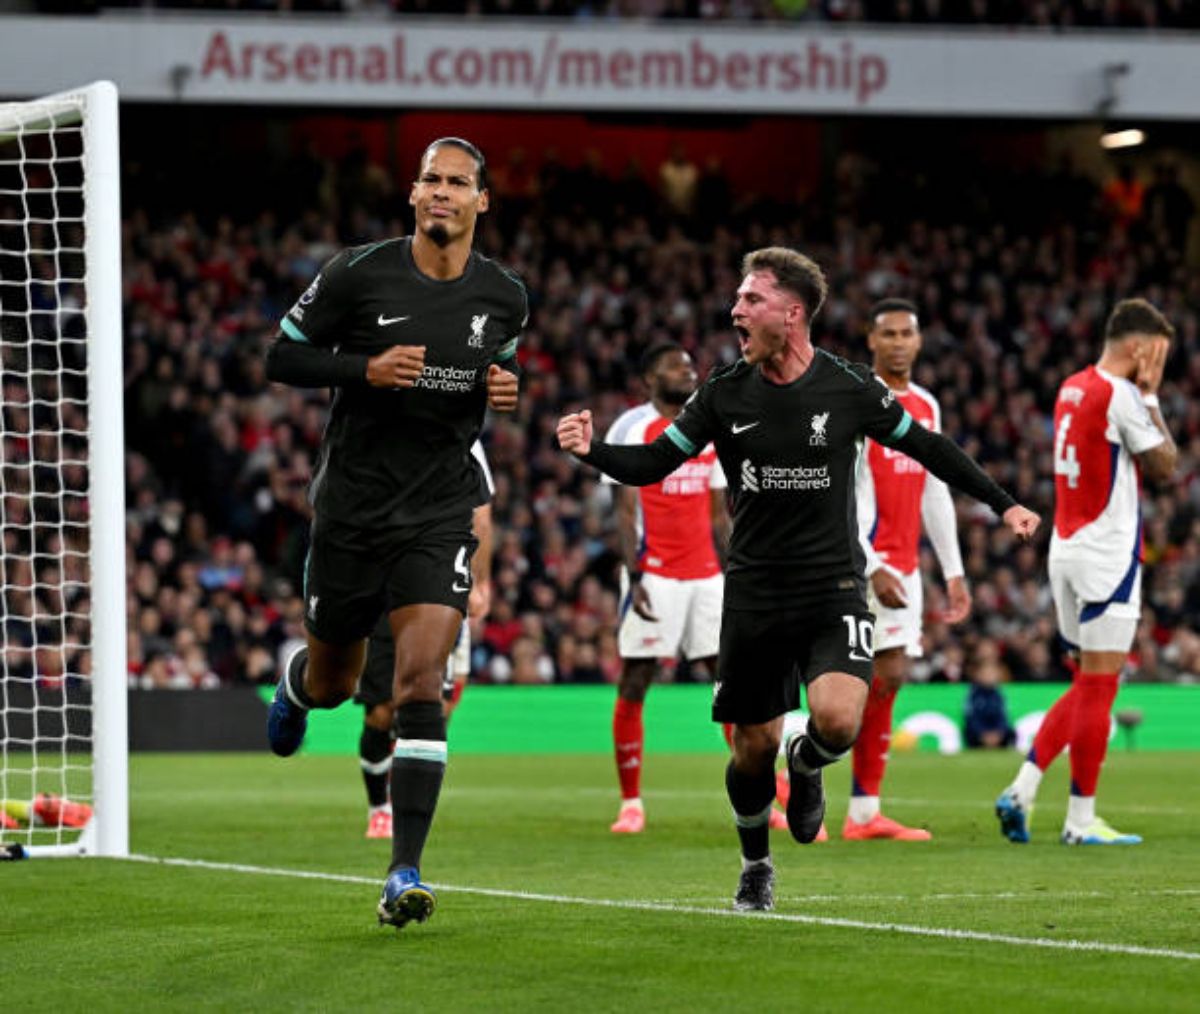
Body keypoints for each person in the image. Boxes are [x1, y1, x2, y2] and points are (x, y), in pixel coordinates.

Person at [557, 247, 1039, 912]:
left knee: (838, 721)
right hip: (753, 593)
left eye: (750, 300)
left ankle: (808, 764)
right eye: (737, 299)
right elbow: (653, 462)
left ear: (791, 313)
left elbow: (927, 446)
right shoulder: (723, 393)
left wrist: (1003, 500)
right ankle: (756, 863)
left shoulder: (847, 388)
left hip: (833, 588)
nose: (735, 310)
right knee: (752, 750)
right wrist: (592, 452)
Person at [263, 137, 527, 929]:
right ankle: (296, 682)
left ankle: (403, 869)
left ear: (483, 201)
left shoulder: (504, 297)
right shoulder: (358, 273)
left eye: (458, 183)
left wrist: (508, 385)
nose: (441, 192)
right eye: (430, 180)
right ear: (413, 196)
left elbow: (495, 369)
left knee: (420, 687)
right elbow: (281, 357)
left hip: (439, 511)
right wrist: (362, 370)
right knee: (339, 684)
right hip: (351, 509)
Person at [995, 298, 1175, 846]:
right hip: (1108, 553)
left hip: (1066, 548)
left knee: (1084, 682)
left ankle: (1023, 789)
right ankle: (1080, 820)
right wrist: (1151, 394)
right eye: (1159, 353)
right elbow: (1165, 467)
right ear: (1140, 347)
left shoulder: (1071, 386)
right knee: (1101, 687)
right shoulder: (1121, 394)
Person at [844, 298, 971, 841]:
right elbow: (839, 495)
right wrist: (869, 566)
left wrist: (955, 570)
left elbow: (936, 489)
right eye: (888, 333)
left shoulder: (925, 406)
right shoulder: (853, 404)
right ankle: (793, 774)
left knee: (890, 675)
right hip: (855, 563)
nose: (898, 342)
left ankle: (864, 813)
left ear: (919, 342)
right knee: (840, 680)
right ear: (871, 341)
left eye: (907, 333)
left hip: (904, 565)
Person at [603, 341, 729, 835]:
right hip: (653, 572)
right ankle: (631, 802)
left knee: (731, 684)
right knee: (637, 679)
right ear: (649, 378)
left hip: (706, 575)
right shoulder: (632, 427)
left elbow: (720, 514)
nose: (687, 370)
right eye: (674, 365)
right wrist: (634, 574)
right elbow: (623, 507)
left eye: (689, 364)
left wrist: (738, 567)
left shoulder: (708, 428)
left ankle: (763, 790)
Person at [357, 442, 494, 840]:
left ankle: (408, 807)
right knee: (381, 712)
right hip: (383, 583)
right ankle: (379, 807)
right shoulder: (372, 425)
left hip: (438, 578)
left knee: (432, 704)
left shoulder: (464, 435)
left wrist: (479, 580)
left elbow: (481, 515)